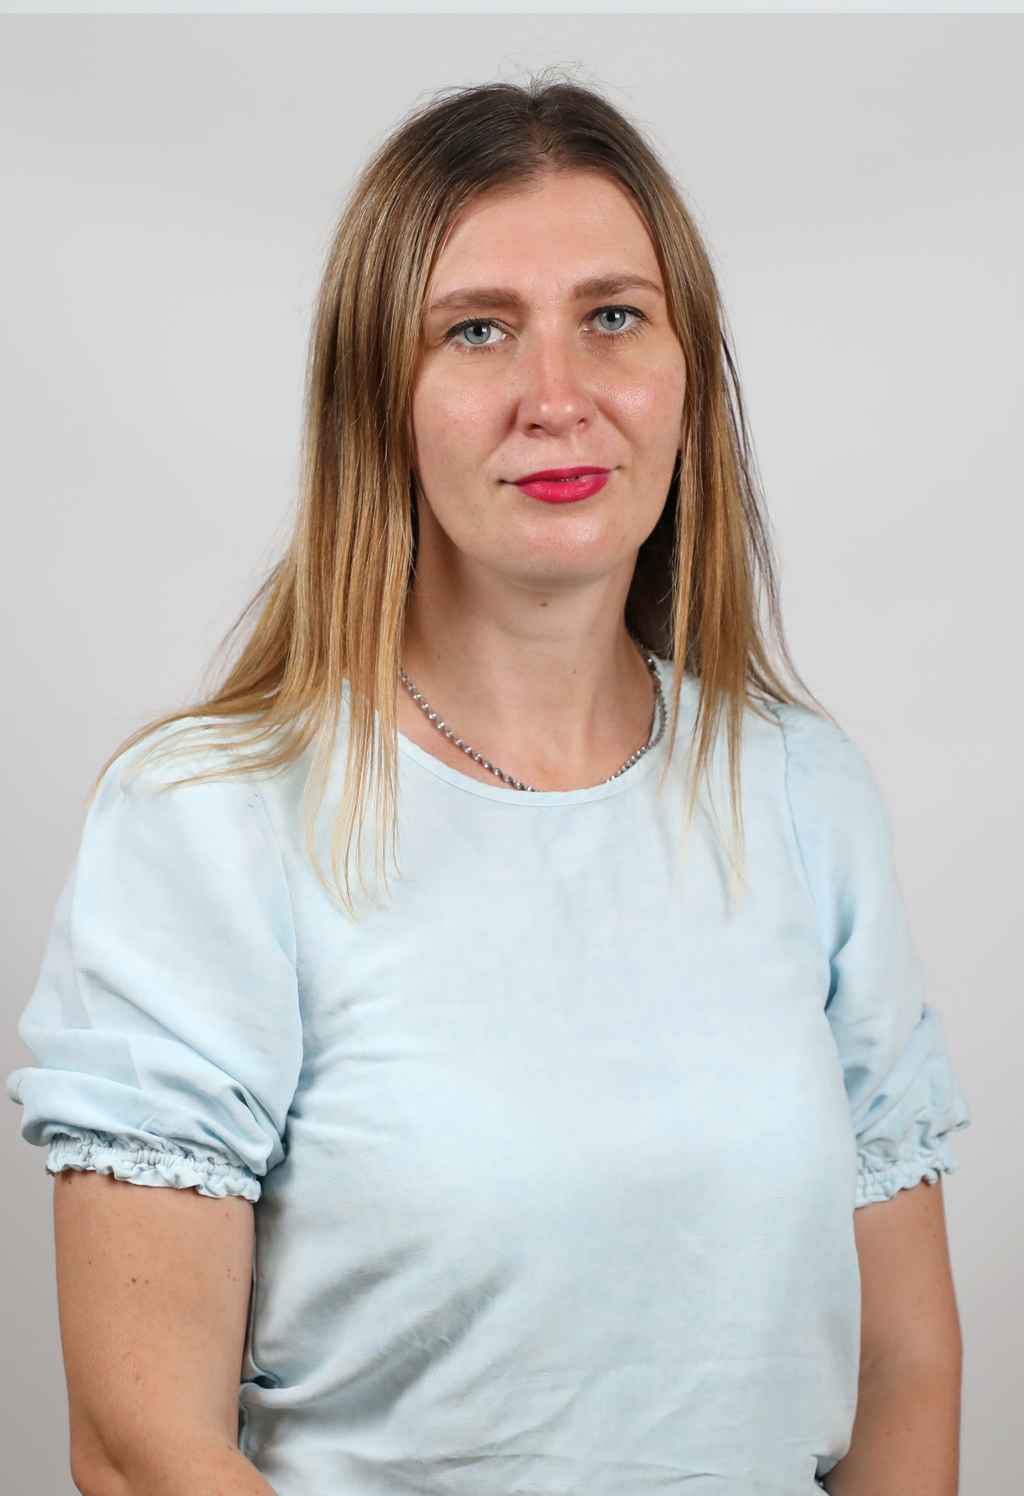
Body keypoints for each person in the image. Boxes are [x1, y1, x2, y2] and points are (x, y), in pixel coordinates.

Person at [7, 79, 969, 1496]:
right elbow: (142, 1444)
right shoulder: (209, 819)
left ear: (689, 373)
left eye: (614, 317)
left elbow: (903, 1367)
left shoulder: (802, 789)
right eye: (476, 330)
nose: (558, 398)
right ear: (376, 399)